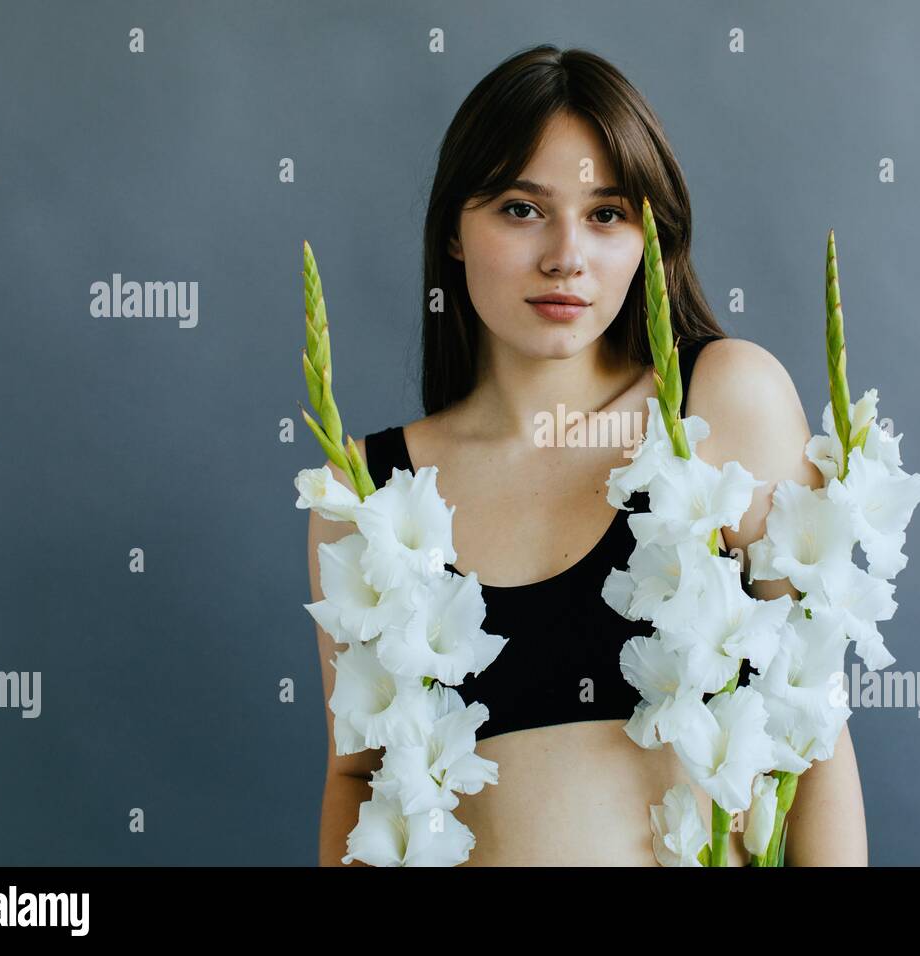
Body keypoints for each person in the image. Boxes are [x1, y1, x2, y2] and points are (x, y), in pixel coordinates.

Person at [308, 44, 867, 866]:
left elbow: (815, 732)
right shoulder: (366, 492)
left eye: (606, 213)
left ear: (649, 236)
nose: (565, 254)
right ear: (455, 232)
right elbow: (357, 777)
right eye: (521, 209)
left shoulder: (720, 407)